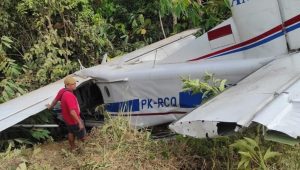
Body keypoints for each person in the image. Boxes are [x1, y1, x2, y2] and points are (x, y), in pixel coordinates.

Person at [47, 75, 86, 150]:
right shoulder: (69, 96)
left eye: (75, 83)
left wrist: (50, 107)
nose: (75, 85)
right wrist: (79, 122)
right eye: (72, 84)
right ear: (67, 85)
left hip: (67, 119)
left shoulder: (62, 91)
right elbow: (72, 112)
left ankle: (73, 147)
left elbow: (55, 100)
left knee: (71, 132)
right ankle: (85, 145)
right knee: (82, 134)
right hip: (74, 120)